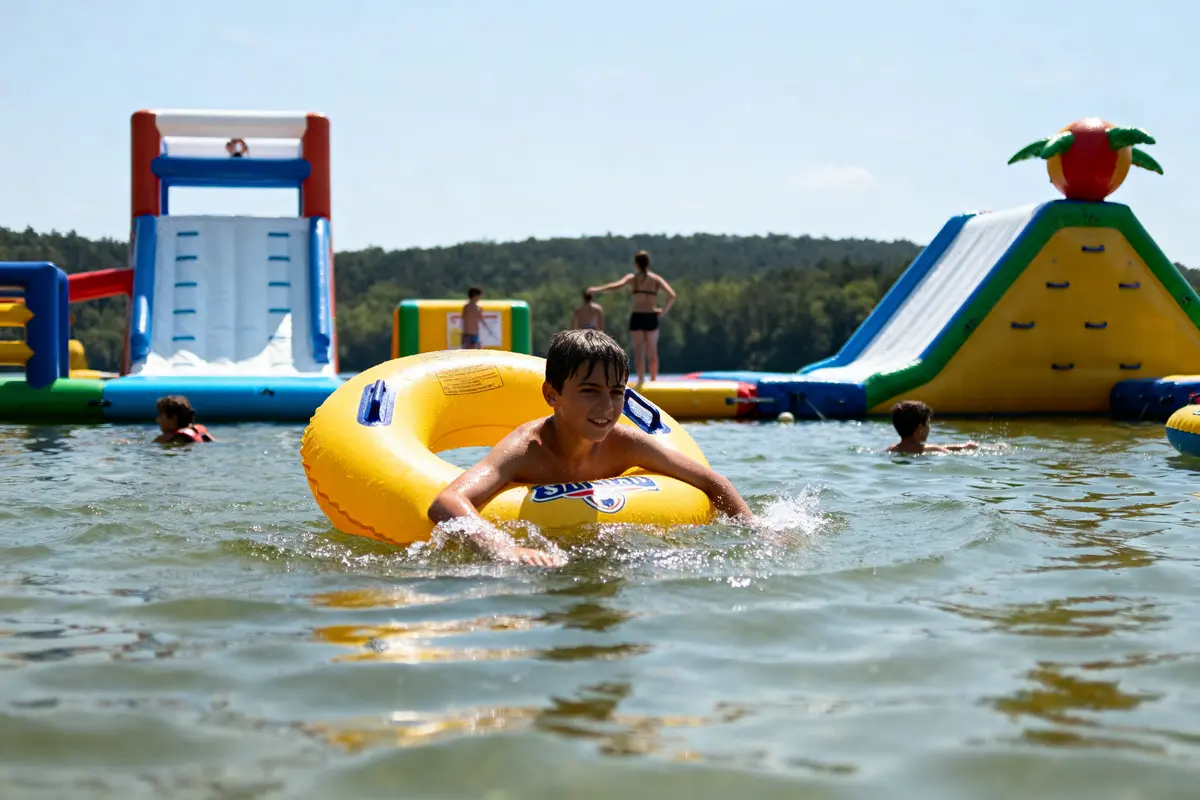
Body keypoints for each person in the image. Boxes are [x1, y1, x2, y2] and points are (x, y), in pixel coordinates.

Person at [428, 329, 755, 566]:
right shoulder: (527, 449)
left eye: (616, 392)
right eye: (589, 391)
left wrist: (753, 530)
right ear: (552, 395)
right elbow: (447, 502)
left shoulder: (624, 443)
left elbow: (713, 481)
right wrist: (503, 549)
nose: (606, 407)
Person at [587, 250, 676, 386]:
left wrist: (596, 289)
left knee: (639, 350)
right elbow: (672, 295)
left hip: (638, 316)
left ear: (636, 264)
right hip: (651, 316)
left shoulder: (633, 278)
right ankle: (653, 380)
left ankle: (641, 380)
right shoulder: (655, 279)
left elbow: (615, 286)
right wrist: (663, 311)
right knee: (652, 350)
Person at [887, 400, 977, 455]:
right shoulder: (936, 450)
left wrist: (963, 446)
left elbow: (929, 447)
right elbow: (935, 449)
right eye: (928, 423)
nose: (929, 427)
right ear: (920, 428)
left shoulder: (892, 449)